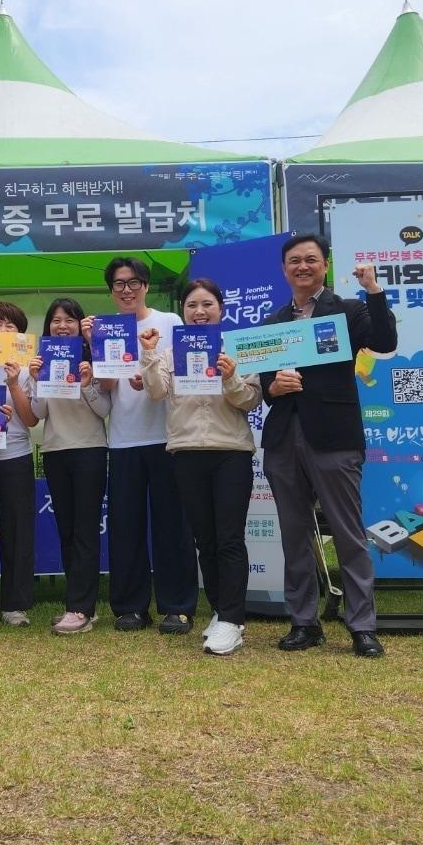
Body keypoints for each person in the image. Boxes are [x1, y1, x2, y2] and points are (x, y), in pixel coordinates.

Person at [259, 234, 397, 659]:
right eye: (294, 261)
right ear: (284, 269)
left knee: (348, 533)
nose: (302, 266)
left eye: (311, 260)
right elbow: (264, 382)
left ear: (324, 265)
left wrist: (373, 289)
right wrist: (274, 386)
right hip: (284, 437)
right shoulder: (273, 320)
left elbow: (385, 343)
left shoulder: (349, 310)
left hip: (334, 436)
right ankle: (304, 622)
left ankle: (362, 626)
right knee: (294, 534)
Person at [139, 279, 261, 656]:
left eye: (207, 304)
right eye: (192, 305)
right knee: (204, 540)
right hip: (186, 452)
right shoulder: (171, 351)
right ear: (184, 311)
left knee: (229, 538)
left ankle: (232, 620)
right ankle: (222, 611)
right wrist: (148, 354)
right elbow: (157, 392)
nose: (199, 311)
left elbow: (250, 400)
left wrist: (230, 378)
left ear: (220, 309)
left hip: (230, 452)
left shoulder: (238, 349)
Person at [85, 257, 198, 634]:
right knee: (125, 525)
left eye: (134, 282)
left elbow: (187, 372)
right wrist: (94, 348)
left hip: (169, 437)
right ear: (111, 290)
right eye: (119, 284)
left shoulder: (171, 322)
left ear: (146, 286)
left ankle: (177, 606)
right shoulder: (105, 328)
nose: (127, 289)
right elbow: (105, 390)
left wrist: (151, 377)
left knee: (173, 525)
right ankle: (130, 606)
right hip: (122, 439)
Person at [27, 298, 110, 635]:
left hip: (90, 450)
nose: (62, 326)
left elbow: (104, 410)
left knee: (86, 531)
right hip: (56, 450)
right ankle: (75, 605)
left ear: (80, 326)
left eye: (70, 320)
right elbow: (40, 412)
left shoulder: (95, 360)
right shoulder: (44, 361)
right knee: (67, 531)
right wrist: (34, 379)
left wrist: (89, 381)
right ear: (48, 327)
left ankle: (81, 609)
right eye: (56, 321)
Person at [0, 301, 39, 626]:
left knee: (18, 532)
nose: (2, 331)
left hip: (15, 456)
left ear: (20, 333)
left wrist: (14, 383)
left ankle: (15, 605)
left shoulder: (29, 368)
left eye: (10, 326)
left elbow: (30, 420)